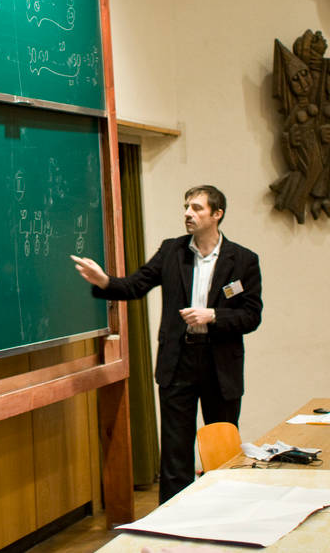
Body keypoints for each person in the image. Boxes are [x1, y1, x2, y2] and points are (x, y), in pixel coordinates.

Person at [70, 185, 262, 503]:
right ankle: (174, 519)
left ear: (217, 214)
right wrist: (104, 281)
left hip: (220, 365)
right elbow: (135, 285)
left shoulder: (243, 260)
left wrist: (213, 315)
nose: (188, 213)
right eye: (186, 206)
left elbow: (251, 316)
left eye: (197, 208)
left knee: (222, 444)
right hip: (179, 361)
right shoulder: (171, 251)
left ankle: (226, 510)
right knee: (174, 450)